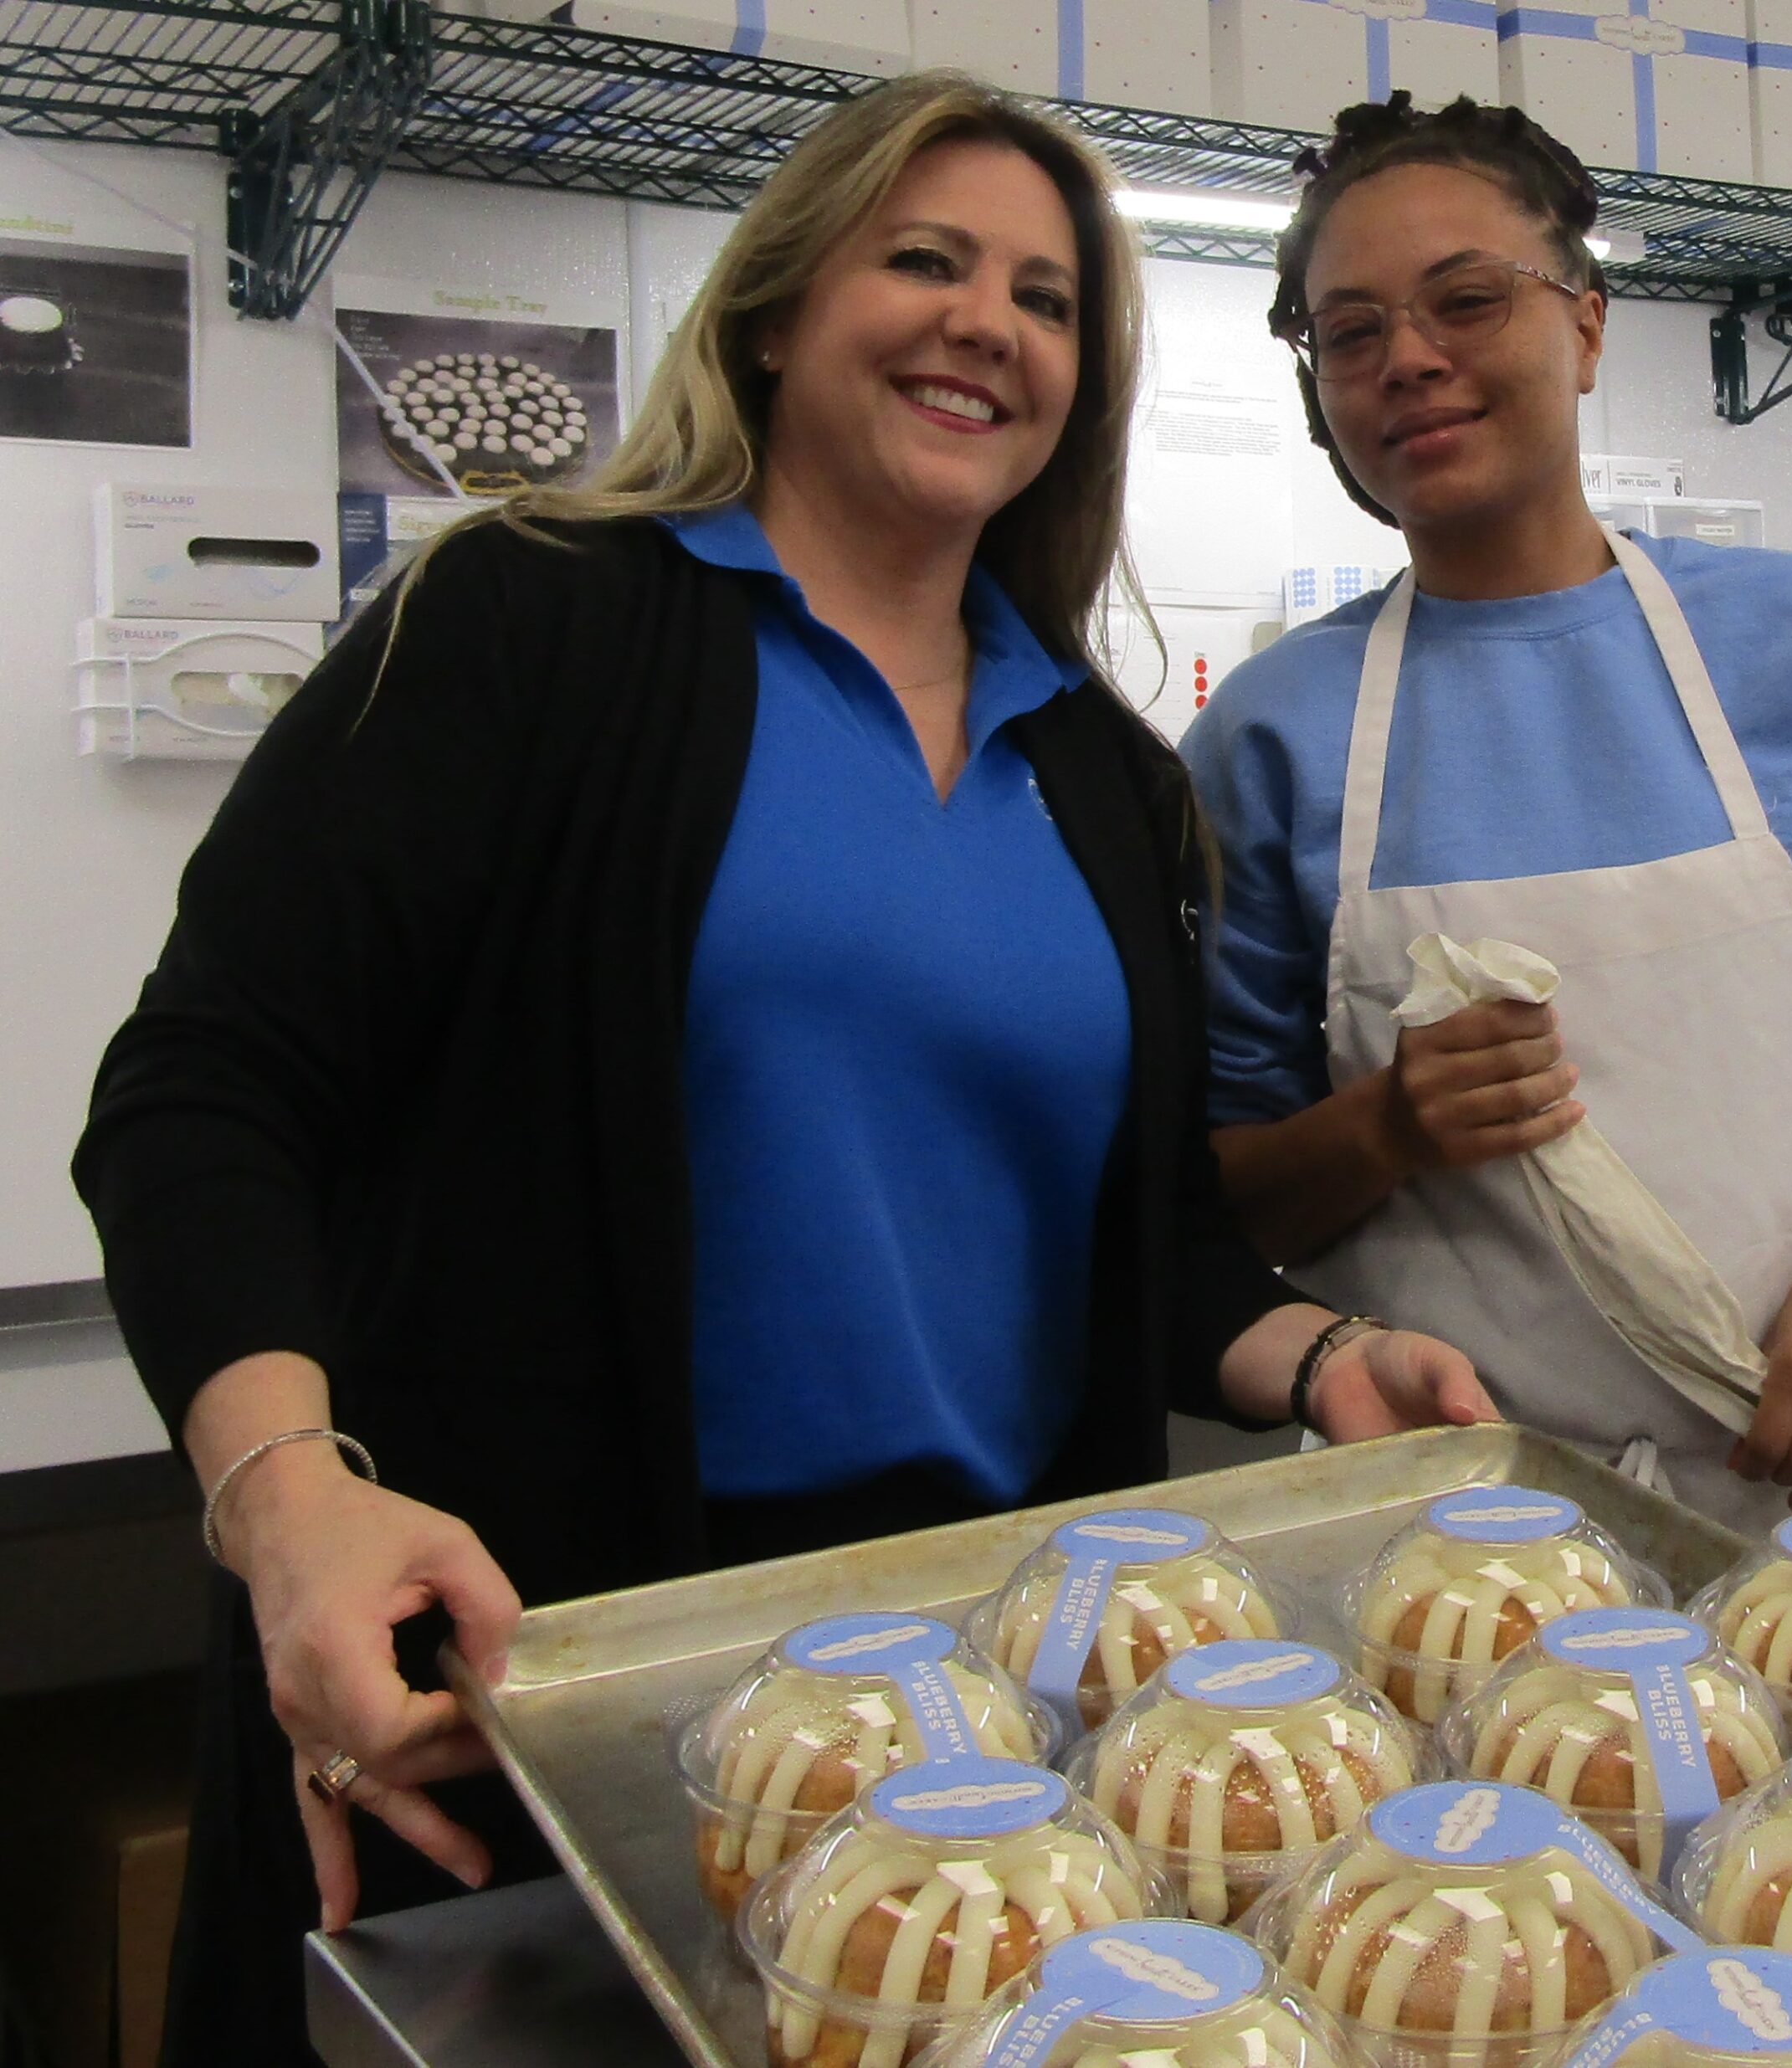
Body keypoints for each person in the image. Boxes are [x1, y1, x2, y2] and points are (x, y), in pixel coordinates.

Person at [72, 74, 1493, 2068]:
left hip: (971, 1729)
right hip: (533, 1683)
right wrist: (285, 1498)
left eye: (1046, 296)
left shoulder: (1100, 782)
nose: (984, 321)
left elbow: (1140, 1248)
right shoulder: (535, 626)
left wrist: (1321, 1359)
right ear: (771, 310)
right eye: (920, 260)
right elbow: (204, 1088)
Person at [1178, 93, 1792, 1534]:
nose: (1408, 358)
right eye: (1350, 333)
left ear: (1587, 327)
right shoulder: (1267, 740)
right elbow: (1226, 1200)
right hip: (1463, 1533)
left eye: (1465, 300)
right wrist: (1390, 1127)